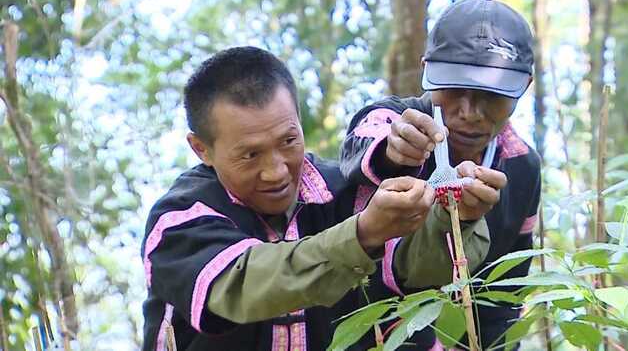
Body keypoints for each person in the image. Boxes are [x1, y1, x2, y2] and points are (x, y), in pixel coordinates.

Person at [141, 46, 492, 351]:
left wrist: (454, 217)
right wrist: (362, 236)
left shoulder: (346, 193)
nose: (276, 171)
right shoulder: (180, 220)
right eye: (250, 155)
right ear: (201, 148)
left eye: (288, 141)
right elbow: (242, 287)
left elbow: (412, 270)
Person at [340, 0, 542, 349]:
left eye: (490, 95)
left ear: (524, 87)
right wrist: (392, 153)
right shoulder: (393, 122)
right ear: (427, 73)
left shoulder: (522, 167)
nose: (469, 112)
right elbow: (362, 144)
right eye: (454, 89)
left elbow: (505, 297)